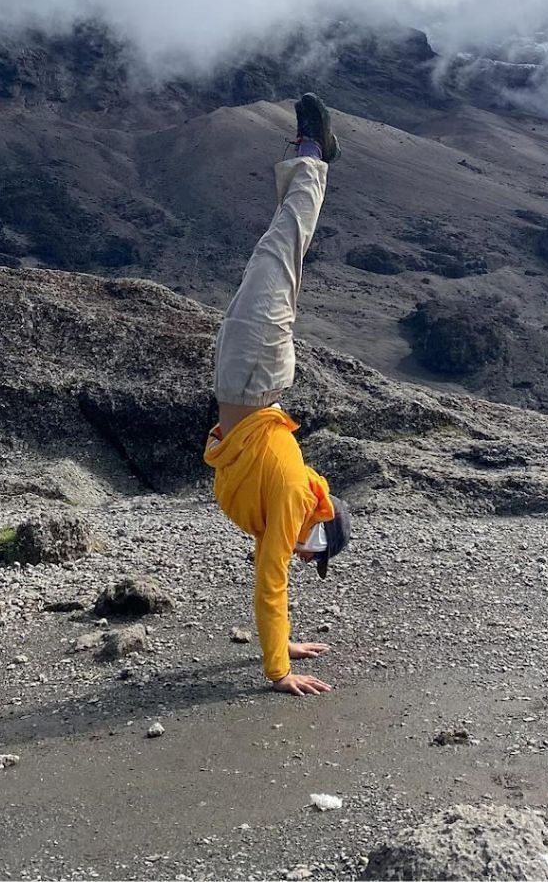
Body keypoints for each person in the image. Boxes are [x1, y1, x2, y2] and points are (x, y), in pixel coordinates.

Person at [204, 94, 353, 697]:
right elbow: (272, 579)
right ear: (316, 526)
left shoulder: (285, 507)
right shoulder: (294, 498)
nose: (299, 558)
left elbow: (272, 576)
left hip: (244, 377)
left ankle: (308, 158)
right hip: (253, 374)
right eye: (312, 553)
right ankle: (314, 156)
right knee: (280, 249)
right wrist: (280, 673)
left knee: (274, 255)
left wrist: (283, 645)